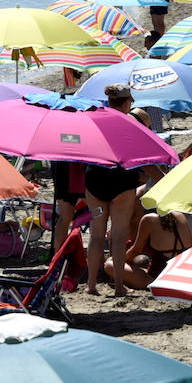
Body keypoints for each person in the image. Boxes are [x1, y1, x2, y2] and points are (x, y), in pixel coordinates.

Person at [83, 87, 144, 297]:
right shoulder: (132, 123)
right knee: (118, 236)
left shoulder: (96, 120)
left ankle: (91, 285)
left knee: (96, 234)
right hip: (122, 179)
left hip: (96, 179)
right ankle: (118, 286)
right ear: (127, 102)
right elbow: (140, 152)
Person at [103, 209, 190, 290]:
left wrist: (121, 261)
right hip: (181, 275)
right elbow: (191, 248)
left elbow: (135, 251)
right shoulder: (180, 216)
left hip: (157, 279)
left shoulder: (149, 219)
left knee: (110, 264)